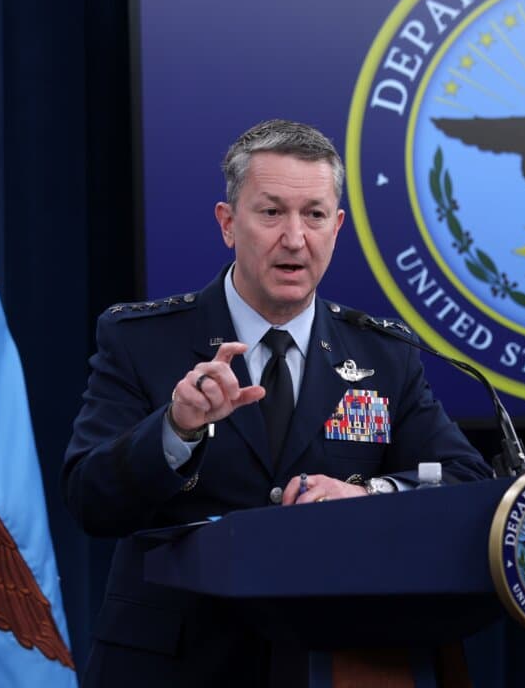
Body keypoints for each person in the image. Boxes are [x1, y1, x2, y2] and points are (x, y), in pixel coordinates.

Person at [62, 119, 493, 686]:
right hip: (172, 667)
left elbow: (466, 479)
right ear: (227, 224)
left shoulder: (386, 354)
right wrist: (176, 429)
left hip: (333, 664)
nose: (295, 237)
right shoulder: (142, 341)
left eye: (314, 215)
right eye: (271, 213)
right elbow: (90, 500)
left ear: (337, 228)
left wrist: (365, 494)